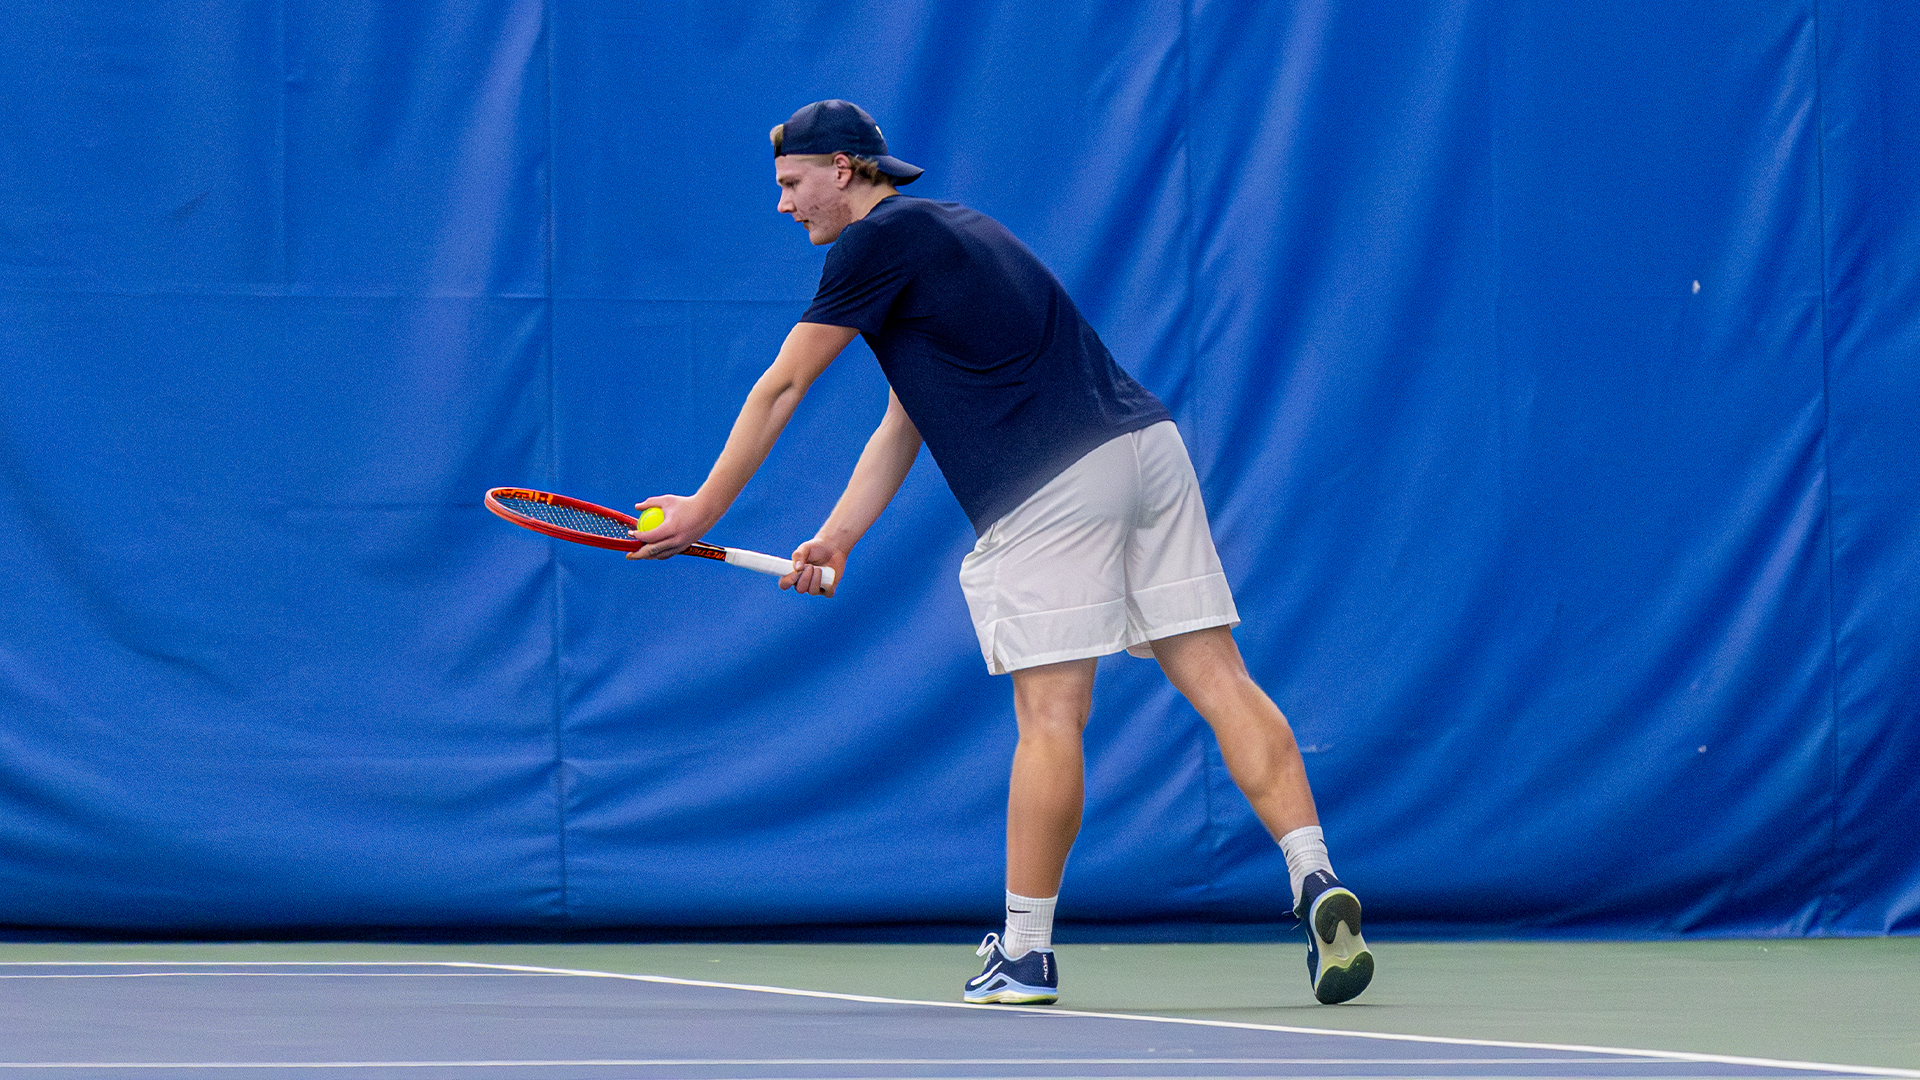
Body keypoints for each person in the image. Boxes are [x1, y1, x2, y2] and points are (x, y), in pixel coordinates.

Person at [629, 99, 1373, 1006]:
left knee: (1051, 717)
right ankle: (1315, 877)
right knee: (1218, 674)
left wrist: (702, 511)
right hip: (1148, 452)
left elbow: (782, 385)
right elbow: (907, 418)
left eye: (792, 184)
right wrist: (839, 535)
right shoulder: (960, 231)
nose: (784, 206)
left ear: (846, 170)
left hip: (1052, 483)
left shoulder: (869, 246)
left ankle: (1024, 954)